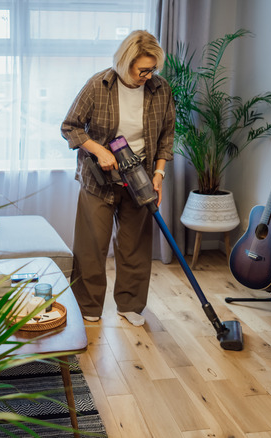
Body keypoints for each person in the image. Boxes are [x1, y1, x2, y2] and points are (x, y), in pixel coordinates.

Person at [61, 30, 175, 326]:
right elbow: (70, 127)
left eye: (153, 69)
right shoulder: (98, 86)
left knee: (135, 246)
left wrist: (159, 175)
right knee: (91, 246)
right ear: (126, 63)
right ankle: (88, 306)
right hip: (98, 180)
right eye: (143, 70)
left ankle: (131, 305)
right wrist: (98, 150)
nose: (149, 76)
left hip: (141, 179)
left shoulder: (160, 89)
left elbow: (166, 136)